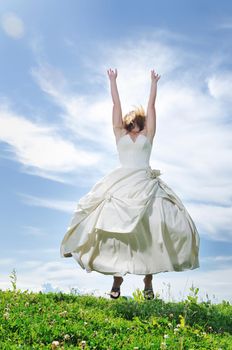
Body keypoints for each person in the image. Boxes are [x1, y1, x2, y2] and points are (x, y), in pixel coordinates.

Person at [60, 68, 200, 300]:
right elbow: (115, 104)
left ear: (141, 121)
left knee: (151, 231)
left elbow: (152, 106)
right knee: (116, 232)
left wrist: (153, 84)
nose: (130, 120)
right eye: (128, 119)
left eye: (134, 119)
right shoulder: (119, 133)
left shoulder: (148, 133)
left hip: (145, 186)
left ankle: (148, 281)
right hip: (122, 185)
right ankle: (117, 281)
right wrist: (113, 81)